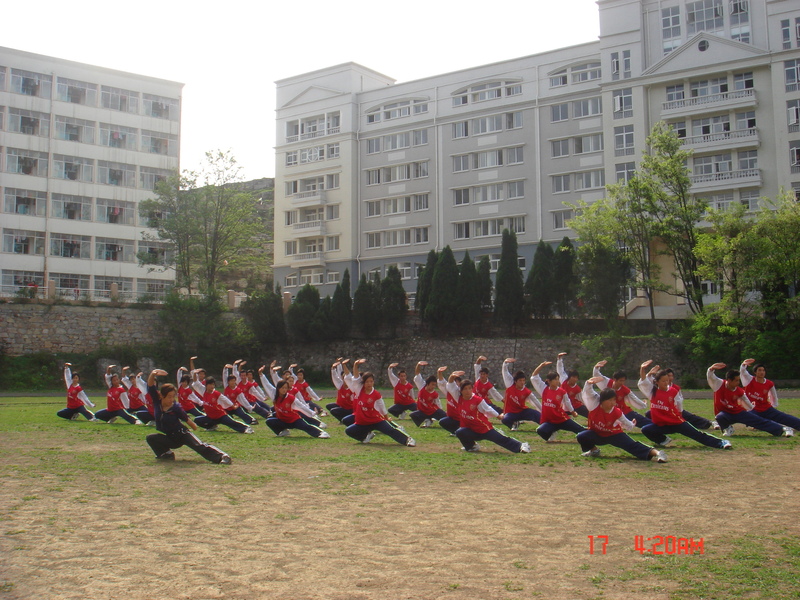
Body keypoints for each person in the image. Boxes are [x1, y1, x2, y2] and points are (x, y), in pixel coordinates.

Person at [144, 369, 231, 464]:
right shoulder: (157, 402)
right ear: (161, 396)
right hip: (171, 438)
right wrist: (152, 374)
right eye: (169, 396)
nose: (172, 399)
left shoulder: (176, 407)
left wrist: (194, 426)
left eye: (173, 396)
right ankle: (166, 454)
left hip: (182, 434)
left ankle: (222, 457)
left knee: (199, 446)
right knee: (151, 438)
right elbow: (150, 386)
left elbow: (187, 420)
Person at [638, 368, 731, 450]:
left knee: (697, 435)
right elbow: (644, 382)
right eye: (663, 381)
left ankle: (722, 443)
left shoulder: (673, 391)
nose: (666, 383)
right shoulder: (652, 392)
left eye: (667, 380)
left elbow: (679, 406)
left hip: (677, 423)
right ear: (657, 382)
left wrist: (678, 416)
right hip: (662, 425)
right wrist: (643, 369)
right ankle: (663, 440)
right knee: (646, 429)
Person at [577, 377, 667, 462]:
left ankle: (658, 453)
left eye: (614, 400)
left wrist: (631, 424)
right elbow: (588, 394)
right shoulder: (594, 406)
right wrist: (588, 383)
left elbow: (626, 422)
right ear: (602, 400)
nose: (613, 403)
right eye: (610, 400)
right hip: (597, 434)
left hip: (614, 435)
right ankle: (594, 451)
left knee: (633, 445)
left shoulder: (617, 412)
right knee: (581, 436)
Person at [707, 363, 793, 438]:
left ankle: (781, 429)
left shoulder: (740, 391)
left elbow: (748, 404)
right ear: (729, 380)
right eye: (736, 381)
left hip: (738, 412)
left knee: (759, 421)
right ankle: (728, 429)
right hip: (726, 414)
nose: (738, 383)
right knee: (719, 417)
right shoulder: (719, 384)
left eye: (739, 380)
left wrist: (751, 407)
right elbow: (711, 377)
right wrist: (711, 369)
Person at [344, 359, 416, 446]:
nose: (369, 384)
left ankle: (408, 440)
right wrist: (355, 364)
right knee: (349, 431)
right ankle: (366, 436)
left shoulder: (376, 394)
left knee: (390, 430)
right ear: (363, 383)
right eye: (367, 382)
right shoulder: (359, 390)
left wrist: (386, 417)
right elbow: (356, 378)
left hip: (376, 420)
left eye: (371, 381)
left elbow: (382, 407)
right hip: (362, 422)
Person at [452, 379, 530, 454]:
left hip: (484, 429)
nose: (468, 391)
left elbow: (488, 409)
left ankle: (522, 446)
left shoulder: (477, 400)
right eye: (465, 389)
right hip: (472, 431)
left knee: (501, 439)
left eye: (469, 388)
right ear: (461, 390)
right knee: (460, 432)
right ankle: (472, 446)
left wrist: (498, 416)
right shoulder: (459, 399)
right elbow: (450, 387)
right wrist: (451, 377)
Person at [638, 361, 711, 430]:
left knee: (688, 418)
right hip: (661, 412)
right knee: (648, 417)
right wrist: (645, 371)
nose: (669, 379)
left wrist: (679, 413)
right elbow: (645, 382)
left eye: (671, 376)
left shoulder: (674, 389)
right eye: (667, 377)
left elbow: (679, 402)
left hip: (673, 410)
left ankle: (706, 423)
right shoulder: (656, 389)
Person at [530, 361, 586, 442]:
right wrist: (541, 365)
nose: (557, 381)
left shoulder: (562, 391)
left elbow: (567, 402)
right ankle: (552, 432)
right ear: (548, 381)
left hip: (561, 419)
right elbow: (534, 377)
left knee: (580, 430)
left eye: (558, 379)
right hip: (550, 421)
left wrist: (572, 411)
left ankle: (593, 435)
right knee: (540, 430)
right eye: (555, 379)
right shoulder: (544, 389)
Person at [739, 359, 800, 433]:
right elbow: (743, 372)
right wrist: (744, 365)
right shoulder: (750, 380)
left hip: (766, 408)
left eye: (763, 370)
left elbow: (773, 396)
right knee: (752, 419)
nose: (762, 372)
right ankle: (783, 428)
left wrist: (774, 405)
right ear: (755, 372)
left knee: (783, 416)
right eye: (759, 370)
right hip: (752, 409)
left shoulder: (769, 383)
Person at [592, 361, 651, 428]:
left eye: (623, 381)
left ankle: (657, 427)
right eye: (620, 380)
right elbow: (597, 375)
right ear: (614, 379)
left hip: (624, 411)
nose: (622, 383)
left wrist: (643, 404)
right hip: (610, 412)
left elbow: (634, 399)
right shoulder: (607, 382)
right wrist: (596, 367)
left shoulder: (625, 390)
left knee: (643, 421)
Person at [266, 380, 331, 438]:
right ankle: (283, 432)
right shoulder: (275, 396)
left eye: (286, 388)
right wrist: (261, 375)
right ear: (278, 388)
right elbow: (267, 385)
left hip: (294, 420)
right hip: (283, 421)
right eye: (282, 388)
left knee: (306, 426)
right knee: (269, 421)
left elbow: (301, 406)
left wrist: (312, 413)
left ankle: (321, 433)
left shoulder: (291, 398)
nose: (284, 390)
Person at [499, 358, 541, 431]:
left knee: (537, 415)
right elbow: (505, 373)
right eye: (520, 380)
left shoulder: (526, 391)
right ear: (515, 381)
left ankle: (545, 427)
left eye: (523, 380)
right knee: (504, 419)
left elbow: (535, 402)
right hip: (511, 413)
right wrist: (505, 364)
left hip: (522, 411)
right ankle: (514, 424)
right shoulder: (510, 385)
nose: (522, 382)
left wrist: (543, 411)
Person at [408, 362, 447, 428]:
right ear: (427, 384)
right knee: (413, 415)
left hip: (433, 411)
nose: (433, 386)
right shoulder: (422, 386)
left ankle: (431, 418)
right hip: (422, 411)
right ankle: (427, 420)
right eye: (432, 384)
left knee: (446, 419)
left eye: (435, 385)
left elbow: (438, 404)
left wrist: (440, 412)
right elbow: (417, 374)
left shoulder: (435, 394)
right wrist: (418, 365)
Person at [556, 352, 588, 418]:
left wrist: (588, 406)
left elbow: (582, 399)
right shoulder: (564, 380)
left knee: (588, 414)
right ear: (569, 377)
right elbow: (560, 370)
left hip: (575, 406)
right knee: (557, 416)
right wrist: (559, 359)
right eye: (573, 377)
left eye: (577, 378)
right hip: (564, 407)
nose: (575, 379)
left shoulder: (577, 389)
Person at [436, 369, 463, 435]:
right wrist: (439, 372)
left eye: (457, 382)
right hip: (452, 418)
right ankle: (455, 432)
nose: (456, 384)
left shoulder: (461, 394)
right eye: (454, 382)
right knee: (442, 422)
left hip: (462, 419)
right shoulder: (448, 391)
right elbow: (442, 383)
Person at [328, 359, 355, 423]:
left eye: (346, 379)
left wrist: (343, 365)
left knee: (334, 410)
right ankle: (342, 420)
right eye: (343, 378)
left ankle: (347, 418)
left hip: (351, 409)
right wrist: (333, 369)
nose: (345, 380)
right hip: (342, 407)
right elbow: (335, 378)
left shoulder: (352, 387)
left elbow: (349, 376)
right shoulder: (340, 386)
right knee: (330, 407)